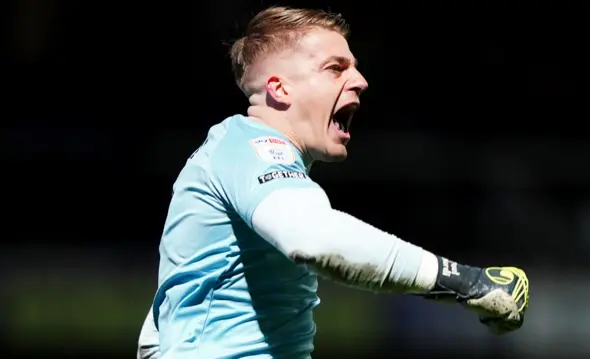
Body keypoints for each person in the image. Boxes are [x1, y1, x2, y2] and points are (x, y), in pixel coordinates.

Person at [136, 6, 530, 359]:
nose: (360, 81)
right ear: (279, 89)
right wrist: (465, 282)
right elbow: (313, 239)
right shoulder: (251, 148)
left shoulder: (233, 155)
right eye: (335, 68)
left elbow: (161, 325)